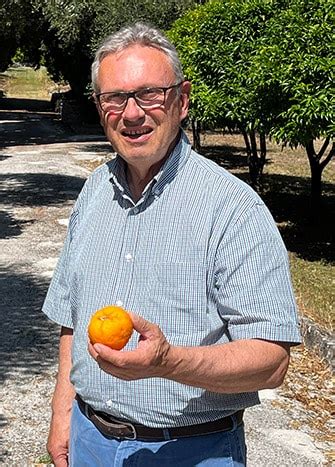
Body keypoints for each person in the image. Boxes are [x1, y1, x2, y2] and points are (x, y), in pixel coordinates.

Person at [43, 22, 301, 467]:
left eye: (149, 94)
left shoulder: (232, 208)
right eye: (115, 98)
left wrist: (169, 361)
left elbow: (271, 360)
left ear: (181, 101)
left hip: (192, 451)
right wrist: (62, 412)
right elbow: (72, 316)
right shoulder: (93, 192)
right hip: (89, 441)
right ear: (100, 106)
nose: (132, 113)